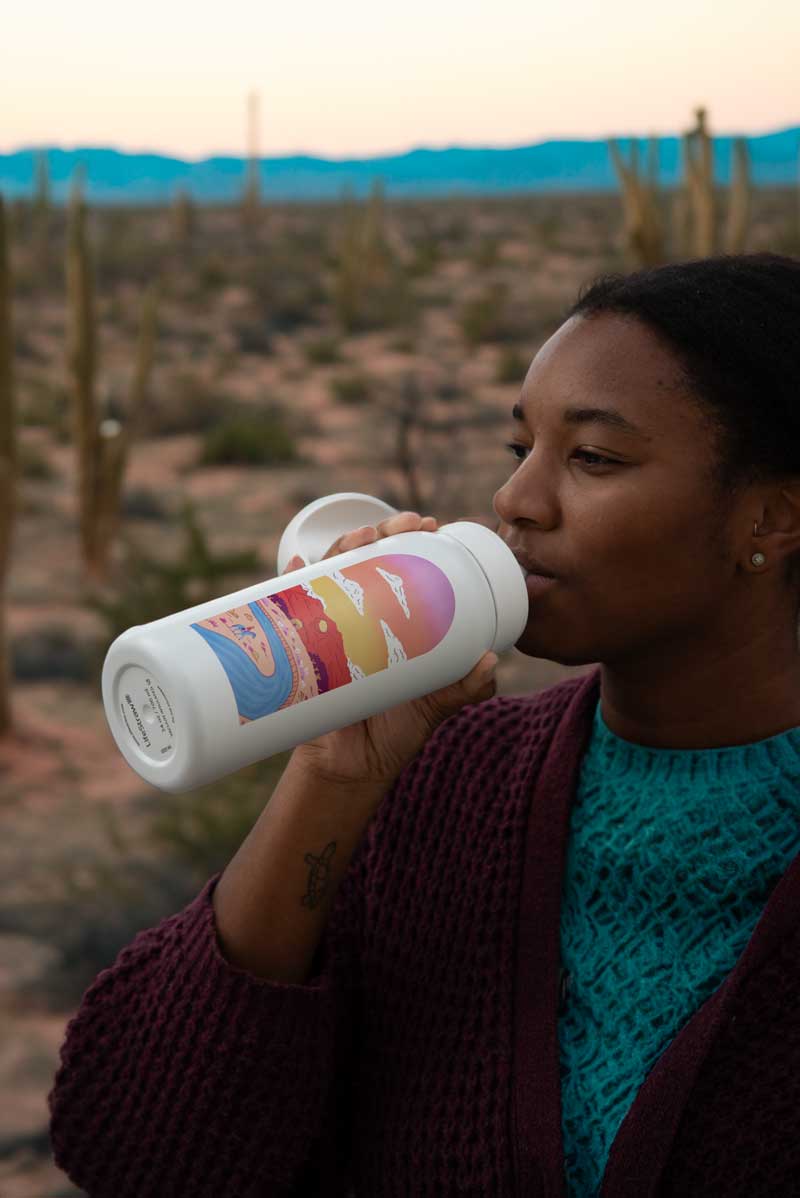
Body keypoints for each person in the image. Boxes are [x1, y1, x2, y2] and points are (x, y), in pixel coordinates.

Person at [48, 252, 800, 1197]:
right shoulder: (451, 786)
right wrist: (337, 773)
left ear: (772, 515)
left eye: (593, 458)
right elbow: (140, 1152)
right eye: (518, 449)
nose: (517, 500)